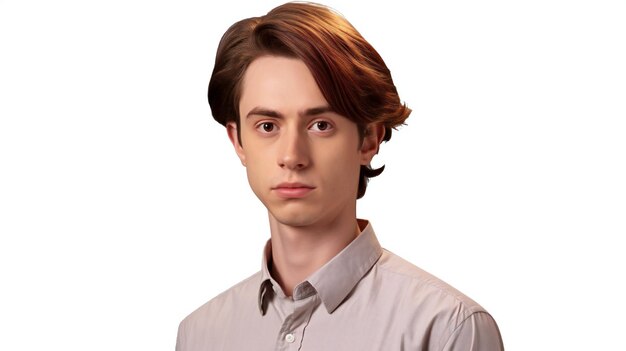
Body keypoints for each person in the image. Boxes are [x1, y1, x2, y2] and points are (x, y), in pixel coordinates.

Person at [176, 2, 504, 350]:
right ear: (238, 140)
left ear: (369, 139)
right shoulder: (199, 335)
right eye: (267, 126)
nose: (292, 156)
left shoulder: (446, 329)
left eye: (321, 125)